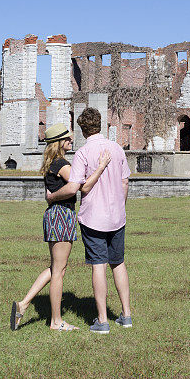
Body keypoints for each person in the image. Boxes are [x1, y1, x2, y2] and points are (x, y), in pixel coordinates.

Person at [10, 122, 110, 332]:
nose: (71, 141)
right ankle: (56, 321)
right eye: (67, 139)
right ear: (59, 143)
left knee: (55, 268)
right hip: (62, 215)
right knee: (59, 272)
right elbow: (79, 186)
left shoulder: (52, 163)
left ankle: (24, 304)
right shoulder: (61, 164)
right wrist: (101, 167)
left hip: (54, 215)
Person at [46, 107, 132, 334]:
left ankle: (102, 320)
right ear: (101, 125)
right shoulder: (117, 149)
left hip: (93, 217)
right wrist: (119, 207)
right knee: (119, 263)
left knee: (98, 265)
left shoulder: (83, 154)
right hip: (117, 216)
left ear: (83, 130)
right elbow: (124, 183)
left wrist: (52, 196)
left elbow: (76, 187)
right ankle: (126, 315)